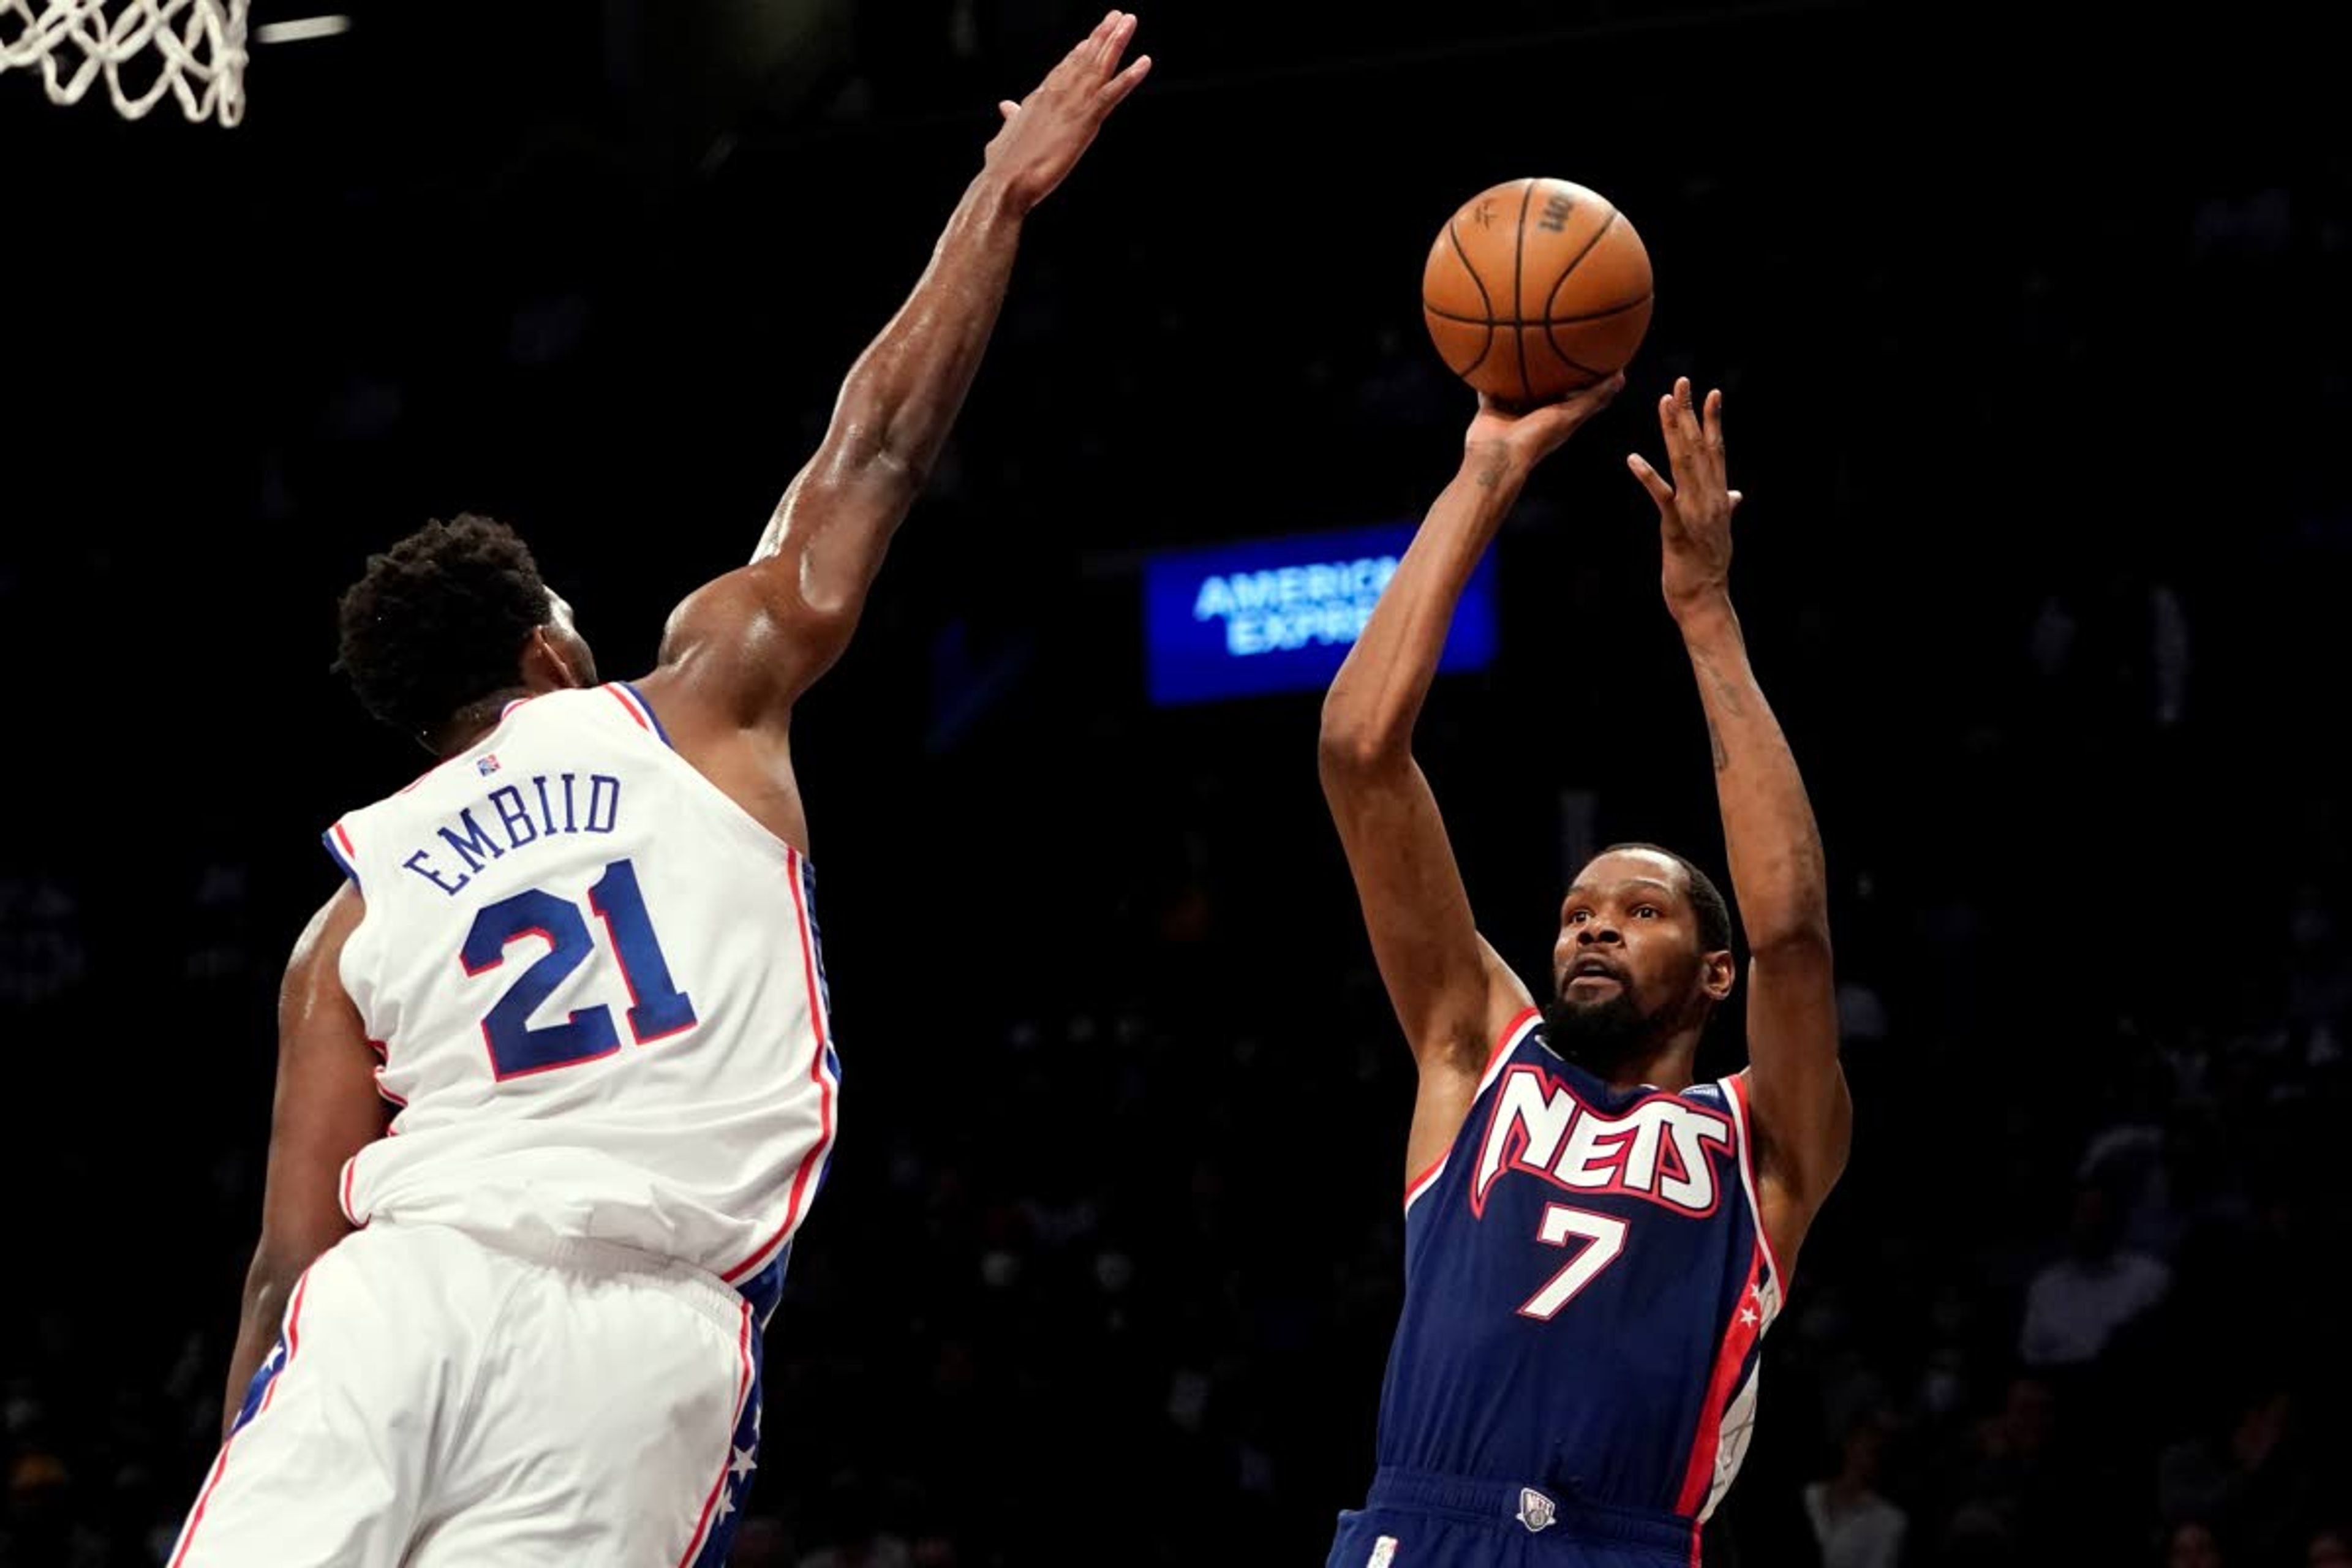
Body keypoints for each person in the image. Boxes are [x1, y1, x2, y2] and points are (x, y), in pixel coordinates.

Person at [164, 15, 1150, 1566]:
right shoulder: (697, 700)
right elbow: (874, 449)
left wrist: (268, 1429)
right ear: (552, 638)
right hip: (646, 1341)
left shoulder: (347, 915)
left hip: (402, 1292)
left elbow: (290, 1264)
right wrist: (997, 201)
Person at [1317, 376, 1851, 1566]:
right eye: (1575, 912)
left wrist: (1706, 611)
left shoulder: (1764, 1141)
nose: (1592, 928)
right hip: (1420, 1522)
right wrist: (1488, 467)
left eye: (1640, 909)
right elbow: (1360, 753)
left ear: (1717, 974)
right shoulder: (1479, 1055)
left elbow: (1796, 932)